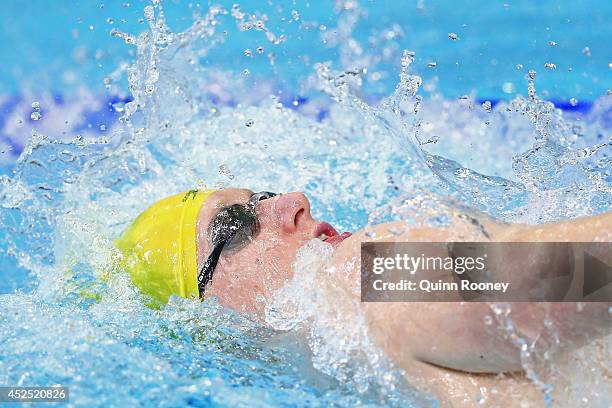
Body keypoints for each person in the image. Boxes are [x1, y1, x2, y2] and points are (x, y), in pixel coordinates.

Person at [115, 188, 612, 407]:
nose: (293, 201)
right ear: (204, 309)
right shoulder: (350, 287)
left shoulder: (357, 277)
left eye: (263, 195)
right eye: (236, 225)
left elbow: (581, 271)